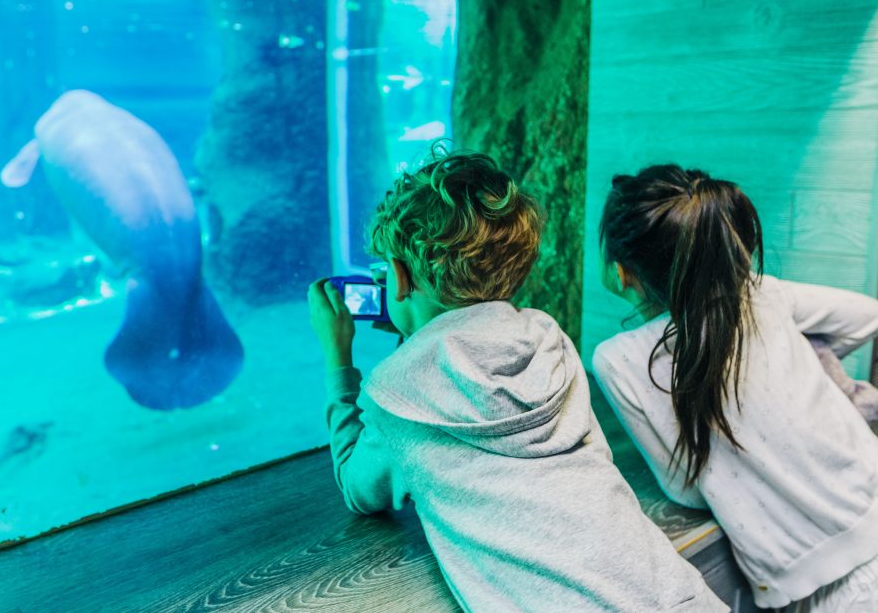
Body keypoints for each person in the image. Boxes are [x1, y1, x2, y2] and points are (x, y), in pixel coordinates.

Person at [307, 150, 725, 612]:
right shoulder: (551, 343)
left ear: (400, 277)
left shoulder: (399, 400)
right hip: (678, 596)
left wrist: (337, 358)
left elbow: (360, 489)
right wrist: (417, 335)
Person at [592, 164, 878, 611]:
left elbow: (685, 489)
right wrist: (809, 377)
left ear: (620, 271)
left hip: (832, 590)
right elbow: (866, 316)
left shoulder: (618, 358)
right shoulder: (759, 294)